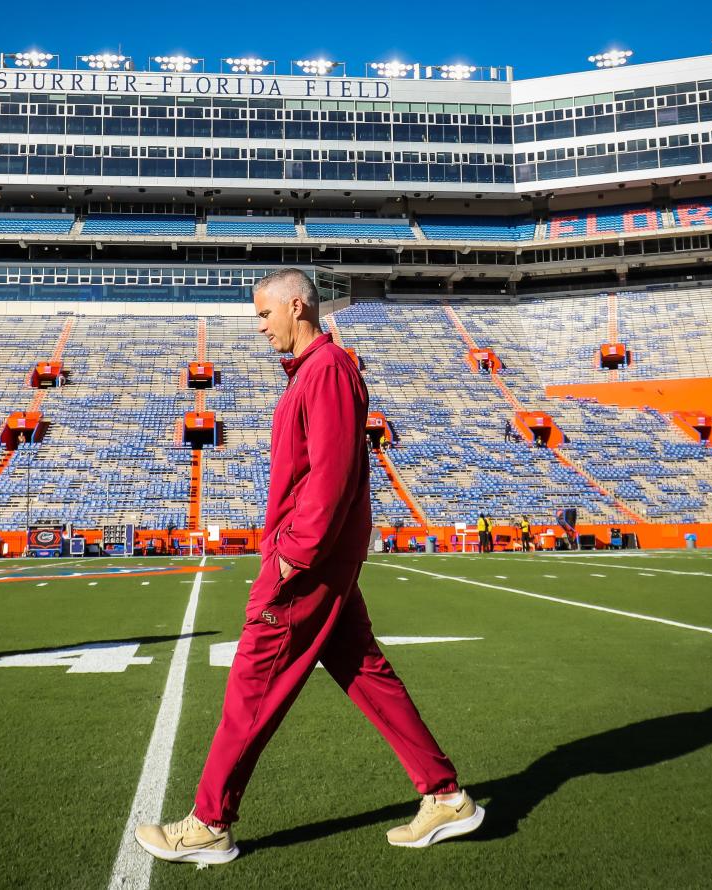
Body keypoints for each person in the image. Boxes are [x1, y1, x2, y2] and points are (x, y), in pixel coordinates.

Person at [134, 268, 481, 865]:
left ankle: (210, 823)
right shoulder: (314, 374)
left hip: (307, 562)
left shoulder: (325, 370)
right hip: (319, 558)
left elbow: (331, 474)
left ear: (298, 306)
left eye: (265, 315)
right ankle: (445, 797)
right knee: (364, 670)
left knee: (251, 684)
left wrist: (294, 552)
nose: (260, 327)